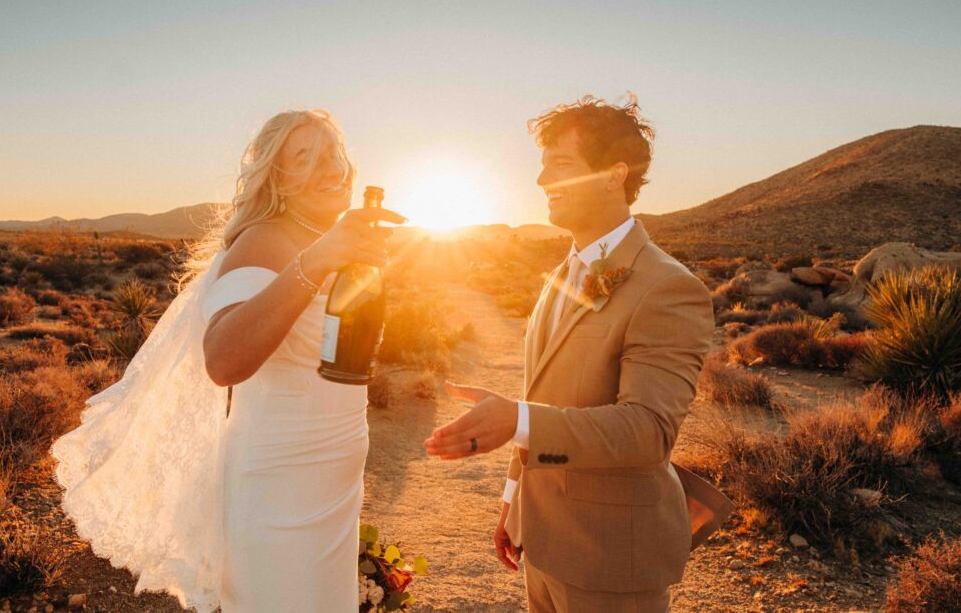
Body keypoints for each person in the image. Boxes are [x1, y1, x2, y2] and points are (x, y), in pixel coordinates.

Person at [52, 109, 405, 612]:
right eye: (304, 157)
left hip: (335, 483)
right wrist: (320, 259)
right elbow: (223, 360)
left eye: (333, 154)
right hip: (281, 491)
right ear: (277, 179)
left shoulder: (332, 243)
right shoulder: (261, 243)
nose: (330, 169)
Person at [424, 95, 733, 613]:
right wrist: (513, 502)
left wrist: (516, 419)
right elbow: (545, 398)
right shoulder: (560, 275)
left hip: (610, 560)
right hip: (543, 544)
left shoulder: (667, 287)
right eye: (543, 167)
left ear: (615, 175)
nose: (543, 182)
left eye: (561, 166)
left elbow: (648, 430)